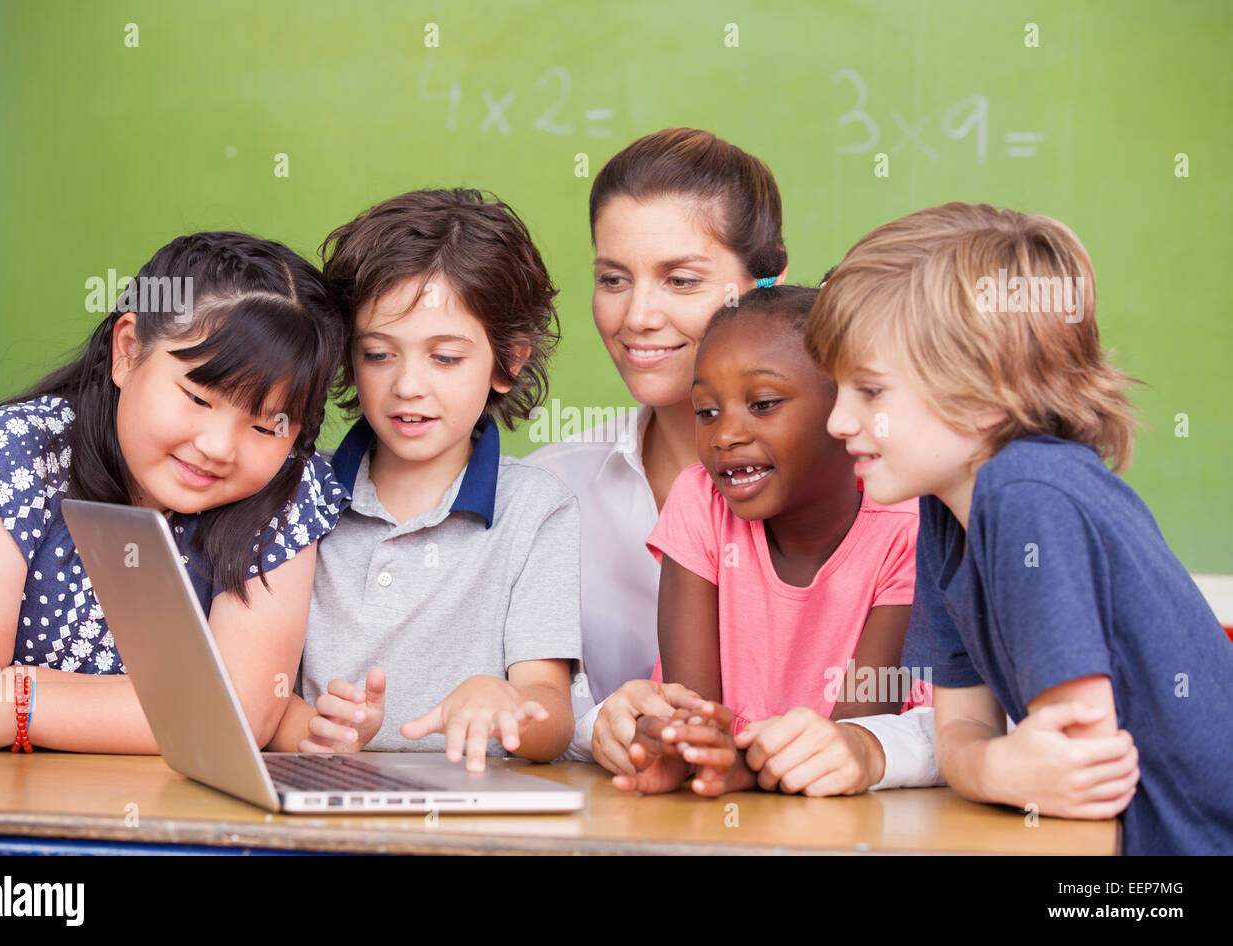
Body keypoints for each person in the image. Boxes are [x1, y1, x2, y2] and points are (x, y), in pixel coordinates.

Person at [805, 201, 1229, 854]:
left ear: (980, 398)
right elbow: (964, 735)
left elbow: (1076, 773)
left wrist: (998, 766)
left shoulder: (1028, 495)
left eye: (869, 391)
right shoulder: (947, 515)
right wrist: (998, 767)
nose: (837, 422)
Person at [526, 128, 939, 793]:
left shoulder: (905, 506)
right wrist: (596, 726)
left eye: (681, 279)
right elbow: (524, 702)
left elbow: (933, 717)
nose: (638, 316)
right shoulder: (546, 490)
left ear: (764, 284)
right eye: (613, 279)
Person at [0, 232, 348, 752]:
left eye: (266, 427)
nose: (219, 447)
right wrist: (187, 706)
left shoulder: (285, 491)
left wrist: (20, 699)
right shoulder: (10, 456)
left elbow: (238, 717)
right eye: (198, 398)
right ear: (128, 351)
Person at [269, 189, 580, 771]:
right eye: (379, 354)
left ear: (509, 363)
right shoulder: (295, 491)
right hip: (319, 797)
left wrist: (508, 703)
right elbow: (254, 693)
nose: (408, 385)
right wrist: (314, 727)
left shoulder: (536, 508)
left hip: (473, 812)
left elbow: (553, 717)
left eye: (445, 358)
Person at [608, 286, 923, 797]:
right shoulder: (701, 501)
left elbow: (846, 740)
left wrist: (741, 767)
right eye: (706, 411)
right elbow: (695, 714)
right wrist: (672, 740)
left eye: (763, 404)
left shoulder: (906, 530)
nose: (725, 434)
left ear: (844, 413)